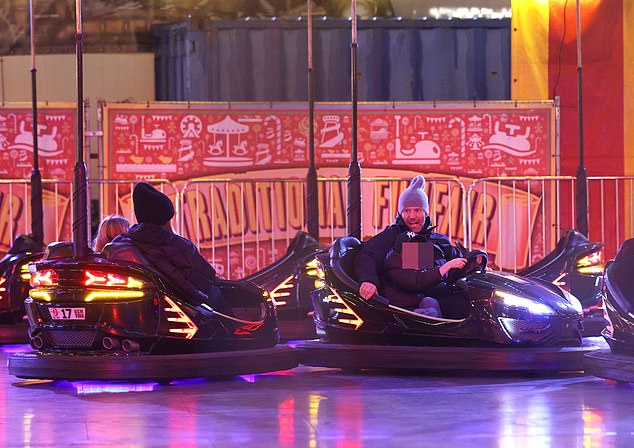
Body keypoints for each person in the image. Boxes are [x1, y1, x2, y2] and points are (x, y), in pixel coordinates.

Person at [109, 183, 229, 314]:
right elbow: (206, 274)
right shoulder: (177, 244)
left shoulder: (125, 242)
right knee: (218, 294)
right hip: (192, 303)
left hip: (153, 304)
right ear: (165, 219)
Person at [354, 175, 467, 306]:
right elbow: (368, 255)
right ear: (400, 213)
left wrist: (477, 265)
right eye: (407, 211)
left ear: (426, 212)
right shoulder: (394, 236)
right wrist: (368, 280)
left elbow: (459, 259)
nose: (412, 216)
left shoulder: (438, 239)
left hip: (438, 296)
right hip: (411, 304)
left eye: (417, 210)